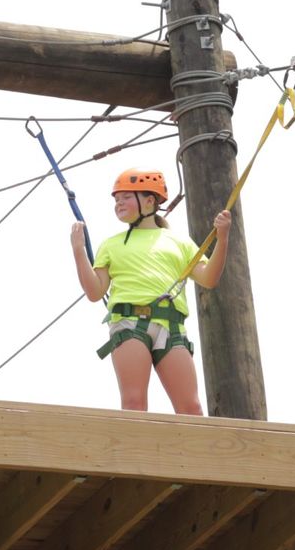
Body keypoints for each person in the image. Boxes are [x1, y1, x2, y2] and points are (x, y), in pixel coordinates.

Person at [69, 169, 231, 414]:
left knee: (192, 408)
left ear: (149, 201)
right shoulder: (111, 245)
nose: (118, 203)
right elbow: (95, 291)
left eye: (125, 197)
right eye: (116, 199)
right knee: (134, 402)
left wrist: (223, 238)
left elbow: (209, 279)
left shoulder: (179, 242)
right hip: (130, 324)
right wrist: (79, 250)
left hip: (171, 327)